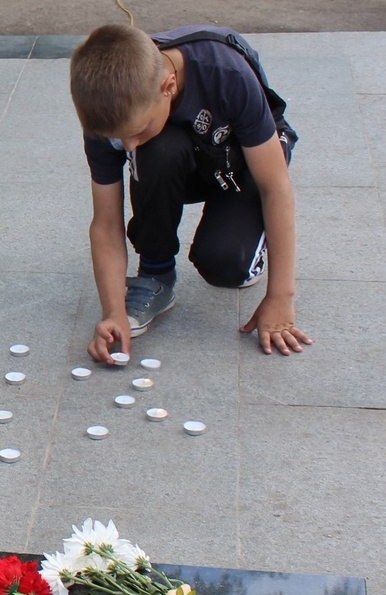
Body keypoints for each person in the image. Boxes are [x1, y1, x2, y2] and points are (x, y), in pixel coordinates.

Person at [68, 23, 313, 362]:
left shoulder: (226, 74)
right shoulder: (105, 106)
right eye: (119, 139)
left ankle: (243, 231)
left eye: (136, 131)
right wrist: (114, 312)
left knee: (225, 265)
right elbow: (106, 222)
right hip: (188, 155)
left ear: (168, 86)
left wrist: (281, 298)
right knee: (154, 150)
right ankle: (156, 274)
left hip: (245, 161)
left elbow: (276, 188)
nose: (128, 146)